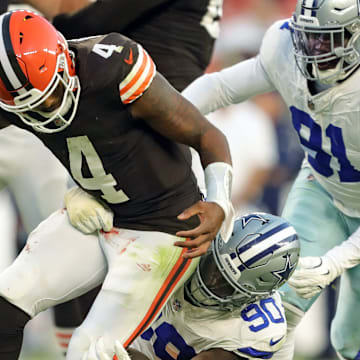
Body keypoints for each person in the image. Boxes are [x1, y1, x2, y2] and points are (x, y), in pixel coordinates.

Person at [0, 9, 234, 360]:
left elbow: (206, 134)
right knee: (7, 300)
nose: (47, 109)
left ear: (65, 62)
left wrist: (219, 202)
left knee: (90, 351)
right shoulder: (20, 97)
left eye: (50, 95)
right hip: (99, 215)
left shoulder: (112, 68)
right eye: (30, 108)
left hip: (164, 230)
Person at [174, 0, 360, 359]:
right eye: (308, 38)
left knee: (350, 337)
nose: (313, 51)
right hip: (321, 186)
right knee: (278, 307)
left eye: (327, 41)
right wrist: (165, 117)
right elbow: (219, 89)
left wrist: (337, 261)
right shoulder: (284, 47)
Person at [74, 212, 300, 360]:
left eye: (224, 285)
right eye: (212, 267)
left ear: (252, 297)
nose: (208, 282)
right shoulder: (188, 240)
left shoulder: (252, 331)